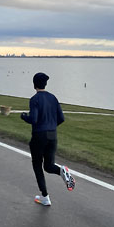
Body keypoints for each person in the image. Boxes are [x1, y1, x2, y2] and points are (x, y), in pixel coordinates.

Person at [20, 72, 75, 206]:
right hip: (52, 135)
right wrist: (51, 126)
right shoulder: (53, 98)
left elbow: (34, 119)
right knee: (49, 166)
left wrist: (24, 116)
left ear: (34, 84)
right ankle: (62, 170)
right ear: (45, 84)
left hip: (39, 136)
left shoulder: (35, 99)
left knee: (37, 165)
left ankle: (45, 197)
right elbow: (61, 118)